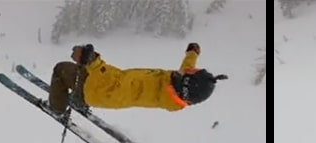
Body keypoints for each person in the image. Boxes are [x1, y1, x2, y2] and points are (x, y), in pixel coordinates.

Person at [41, 42, 228, 119]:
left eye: (192, 72)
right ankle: (79, 101)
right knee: (77, 71)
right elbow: (187, 70)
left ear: (187, 82)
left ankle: (57, 108)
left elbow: (112, 83)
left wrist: (92, 60)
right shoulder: (177, 92)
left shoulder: (163, 88)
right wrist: (192, 53)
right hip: (105, 87)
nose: (189, 69)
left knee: (61, 70)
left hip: (101, 88)